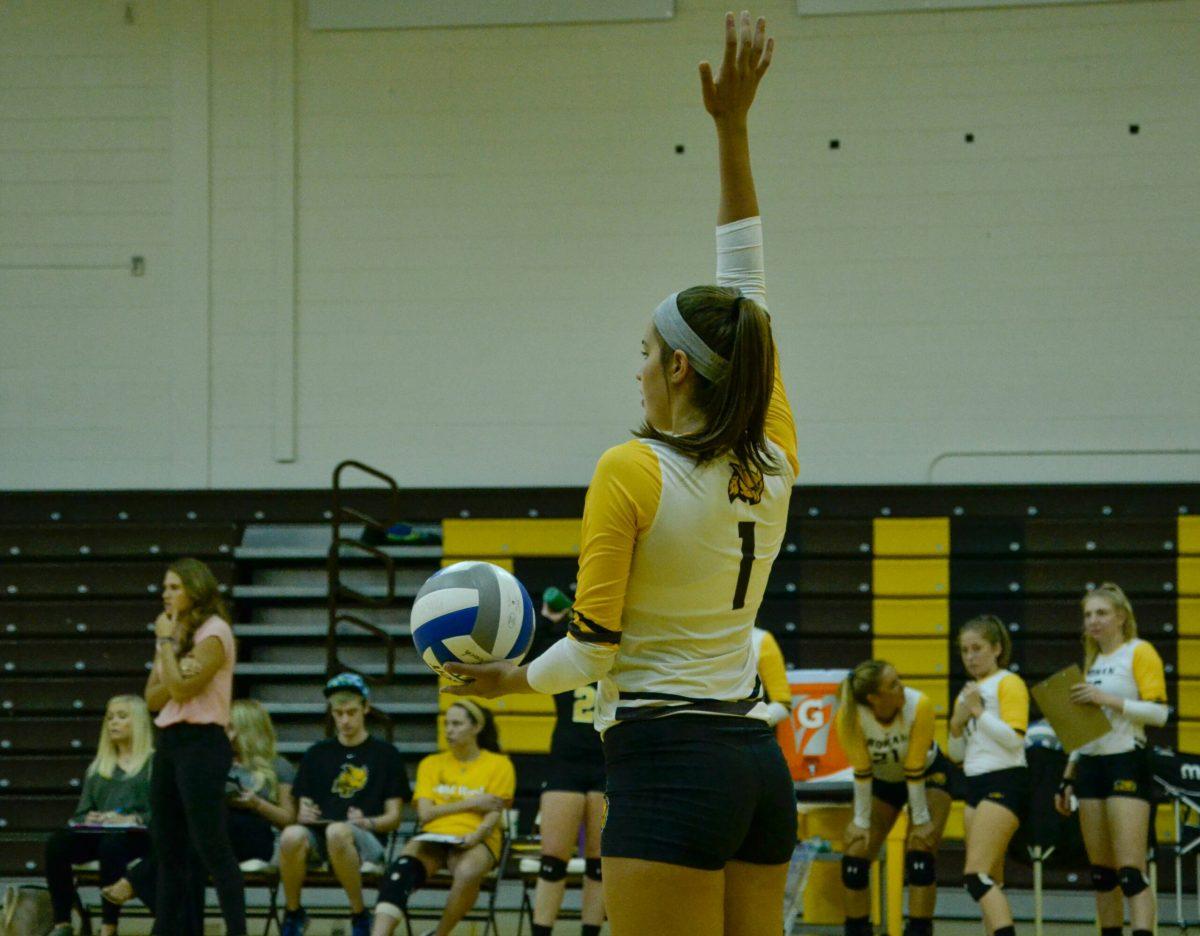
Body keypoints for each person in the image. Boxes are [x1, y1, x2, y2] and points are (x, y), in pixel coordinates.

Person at [443, 13, 796, 936]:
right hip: (758, 770)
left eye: (645, 349)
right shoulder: (776, 450)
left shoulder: (630, 469)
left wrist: (508, 682)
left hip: (669, 763)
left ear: (679, 367)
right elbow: (747, 296)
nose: (633, 363)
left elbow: (592, 652)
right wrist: (733, 130)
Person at [103, 699, 297, 920]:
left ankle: (135, 881)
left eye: (229, 727)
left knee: (197, 839)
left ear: (248, 730)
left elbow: (288, 819)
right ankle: (183, 925)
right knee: (192, 850)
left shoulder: (278, 765)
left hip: (254, 834)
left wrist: (256, 803)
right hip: (213, 833)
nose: (223, 733)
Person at [1054, 583, 1167, 936]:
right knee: (1102, 873)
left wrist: (1107, 699)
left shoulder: (1139, 651)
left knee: (1130, 871)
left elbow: (1160, 713)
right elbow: (1084, 728)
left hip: (1126, 761)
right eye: (1088, 615)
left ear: (1120, 616)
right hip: (1091, 766)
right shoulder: (1094, 662)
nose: (1093, 620)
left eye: (1101, 613)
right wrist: (1068, 776)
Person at [144, 557, 246, 936]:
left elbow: (183, 689)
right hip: (169, 741)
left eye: (174, 587)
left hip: (203, 743)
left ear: (194, 589)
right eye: (165, 587)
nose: (165, 594)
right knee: (168, 850)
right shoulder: (175, 630)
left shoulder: (215, 631)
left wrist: (167, 648)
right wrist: (173, 663)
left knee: (211, 846)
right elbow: (153, 697)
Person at [279, 673, 410, 936]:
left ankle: (359, 913)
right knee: (291, 835)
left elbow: (394, 817)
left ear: (366, 708)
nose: (345, 720)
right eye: (338, 713)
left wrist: (368, 822)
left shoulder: (386, 754)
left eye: (351, 712)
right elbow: (302, 804)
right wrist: (304, 812)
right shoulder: (317, 753)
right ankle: (294, 912)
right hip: (320, 835)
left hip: (367, 840)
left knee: (338, 832)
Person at [371, 701, 516, 936]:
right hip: (434, 836)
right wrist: (473, 803)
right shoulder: (431, 763)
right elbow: (426, 814)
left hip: (476, 837)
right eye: (446, 724)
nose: (449, 730)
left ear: (476, 727)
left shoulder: (499, 764)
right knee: (401, 869)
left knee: (468, 872)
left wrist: (475, 835)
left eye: (457, 724)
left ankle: (439, 934)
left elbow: (493, 813)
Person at [834, 661, 953, 936]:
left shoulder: (918, 704)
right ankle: (857, 930)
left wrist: (921, 819)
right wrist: (860, 823)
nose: (902, 687)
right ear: (874, 699)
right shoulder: (849, 716)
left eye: (898, 680)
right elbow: (862, 771)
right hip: (881, 782)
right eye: (893, 685)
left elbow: (914, 767)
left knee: (920, 853)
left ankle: (919, 930)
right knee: (854, 858)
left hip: (928, 774)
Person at [527, 588, 607, 936]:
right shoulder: (566, 654)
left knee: (599, 864)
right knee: (552, 860)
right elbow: (532, 659)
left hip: (608, 763)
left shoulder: (615, 650)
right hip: (566, 762)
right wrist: (550, 619)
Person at [946, 615, 1030, 936]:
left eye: (977, 648)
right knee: (991, 880)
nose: (970, 656)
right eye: (965, 650)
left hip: (1005, 780)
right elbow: (956, 753)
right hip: (975, 784)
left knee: (975, 877)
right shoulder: (968, 692)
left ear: (996, 648)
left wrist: (979, 712)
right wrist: (957, 720)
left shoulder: (1008, 683)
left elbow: (1014, 738)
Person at [43, 695, 154, 936]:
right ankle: (62, 923)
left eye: (122, 717)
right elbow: (81, 812)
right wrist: (89, 819)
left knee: (111, 846)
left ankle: (109, 926)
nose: (114, 723)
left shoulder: (153, 763)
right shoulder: (98, 767)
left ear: (138, 723)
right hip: (102, 831)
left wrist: (132, 819)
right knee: (57, 843)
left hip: (138, 835)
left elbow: (160, 813)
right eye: (110, 717)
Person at [753, 626, 792, 727]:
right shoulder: (706, 636)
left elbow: (783, 703)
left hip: (745, 733)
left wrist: (751, 725)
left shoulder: (760, 639)